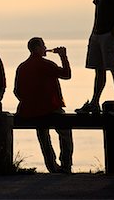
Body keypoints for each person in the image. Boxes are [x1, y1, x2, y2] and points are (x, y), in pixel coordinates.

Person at [14, 37, 73, 174]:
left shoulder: (22, 67)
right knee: (65, 133)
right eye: (43, 46)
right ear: (37, 48)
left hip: (31, 112)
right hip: (51, 109)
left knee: (43, 136)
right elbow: (67, 74)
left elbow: (17, 91)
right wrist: (63, 56)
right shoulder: (47, 64)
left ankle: (52, 167)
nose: (45, 48)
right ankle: (65, 166)